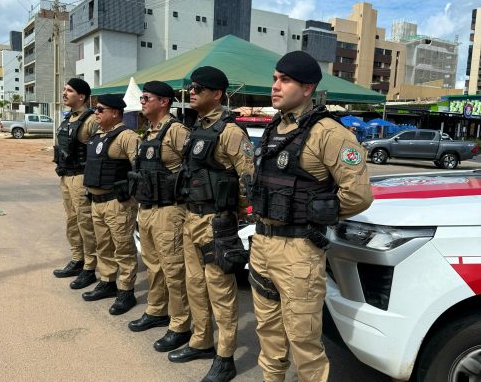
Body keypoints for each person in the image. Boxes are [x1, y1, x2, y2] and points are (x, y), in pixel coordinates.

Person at [249, 51, 374, 382]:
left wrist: (313, 211)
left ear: (307, 88)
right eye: (275, 78)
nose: (274, 86)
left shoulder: (329, 133)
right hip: (262, 243)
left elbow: (358, 194)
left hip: (298, 251)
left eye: (284, 80)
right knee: (268, 332)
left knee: (303, 340)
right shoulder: (276, 127)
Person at [168, 66, 254, 382]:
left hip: (215, 221)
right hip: (192, 216)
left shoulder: (231, 132)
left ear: (216, 94)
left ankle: (225, 355)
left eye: (198, 88)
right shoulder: (195, 128)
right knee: (195, 284)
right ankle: (202, 341)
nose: (191, 92)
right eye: (191, 87)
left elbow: (248, 179)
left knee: (220, 290)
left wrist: (234, 213)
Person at [127, 81, 192, 353]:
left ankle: (180, 325)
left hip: (169, 210)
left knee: (174, 270)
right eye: (141, 97)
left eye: (147, 97)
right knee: (152, 265)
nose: (141, 101)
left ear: (164, 102)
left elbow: (193, 170)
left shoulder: (177, 131)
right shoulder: (148, 132)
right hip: (147, 209)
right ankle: (156, 310)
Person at [81, 94, 140, 316]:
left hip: (118, 202)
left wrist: (131, 196)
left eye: (100, 109)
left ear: (115, 112)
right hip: (96, 202)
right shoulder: (97, 136)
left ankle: (126, 291)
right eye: (95, 109)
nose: (95, 113)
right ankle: (107, 282)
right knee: (103, 245)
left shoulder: (127, 137)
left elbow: (140, 170)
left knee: (123, 248)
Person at [53, 78, 98, 290]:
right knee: (72, 220)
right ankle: (77, 259)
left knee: (85, 222)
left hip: (81, 177)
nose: (64, 93)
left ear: (81, 96)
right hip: (66, 176)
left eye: (69, 90)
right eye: (64, 89)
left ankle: (90, 267)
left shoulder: (91, 120)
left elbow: (100, 151)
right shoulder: (68, 118)